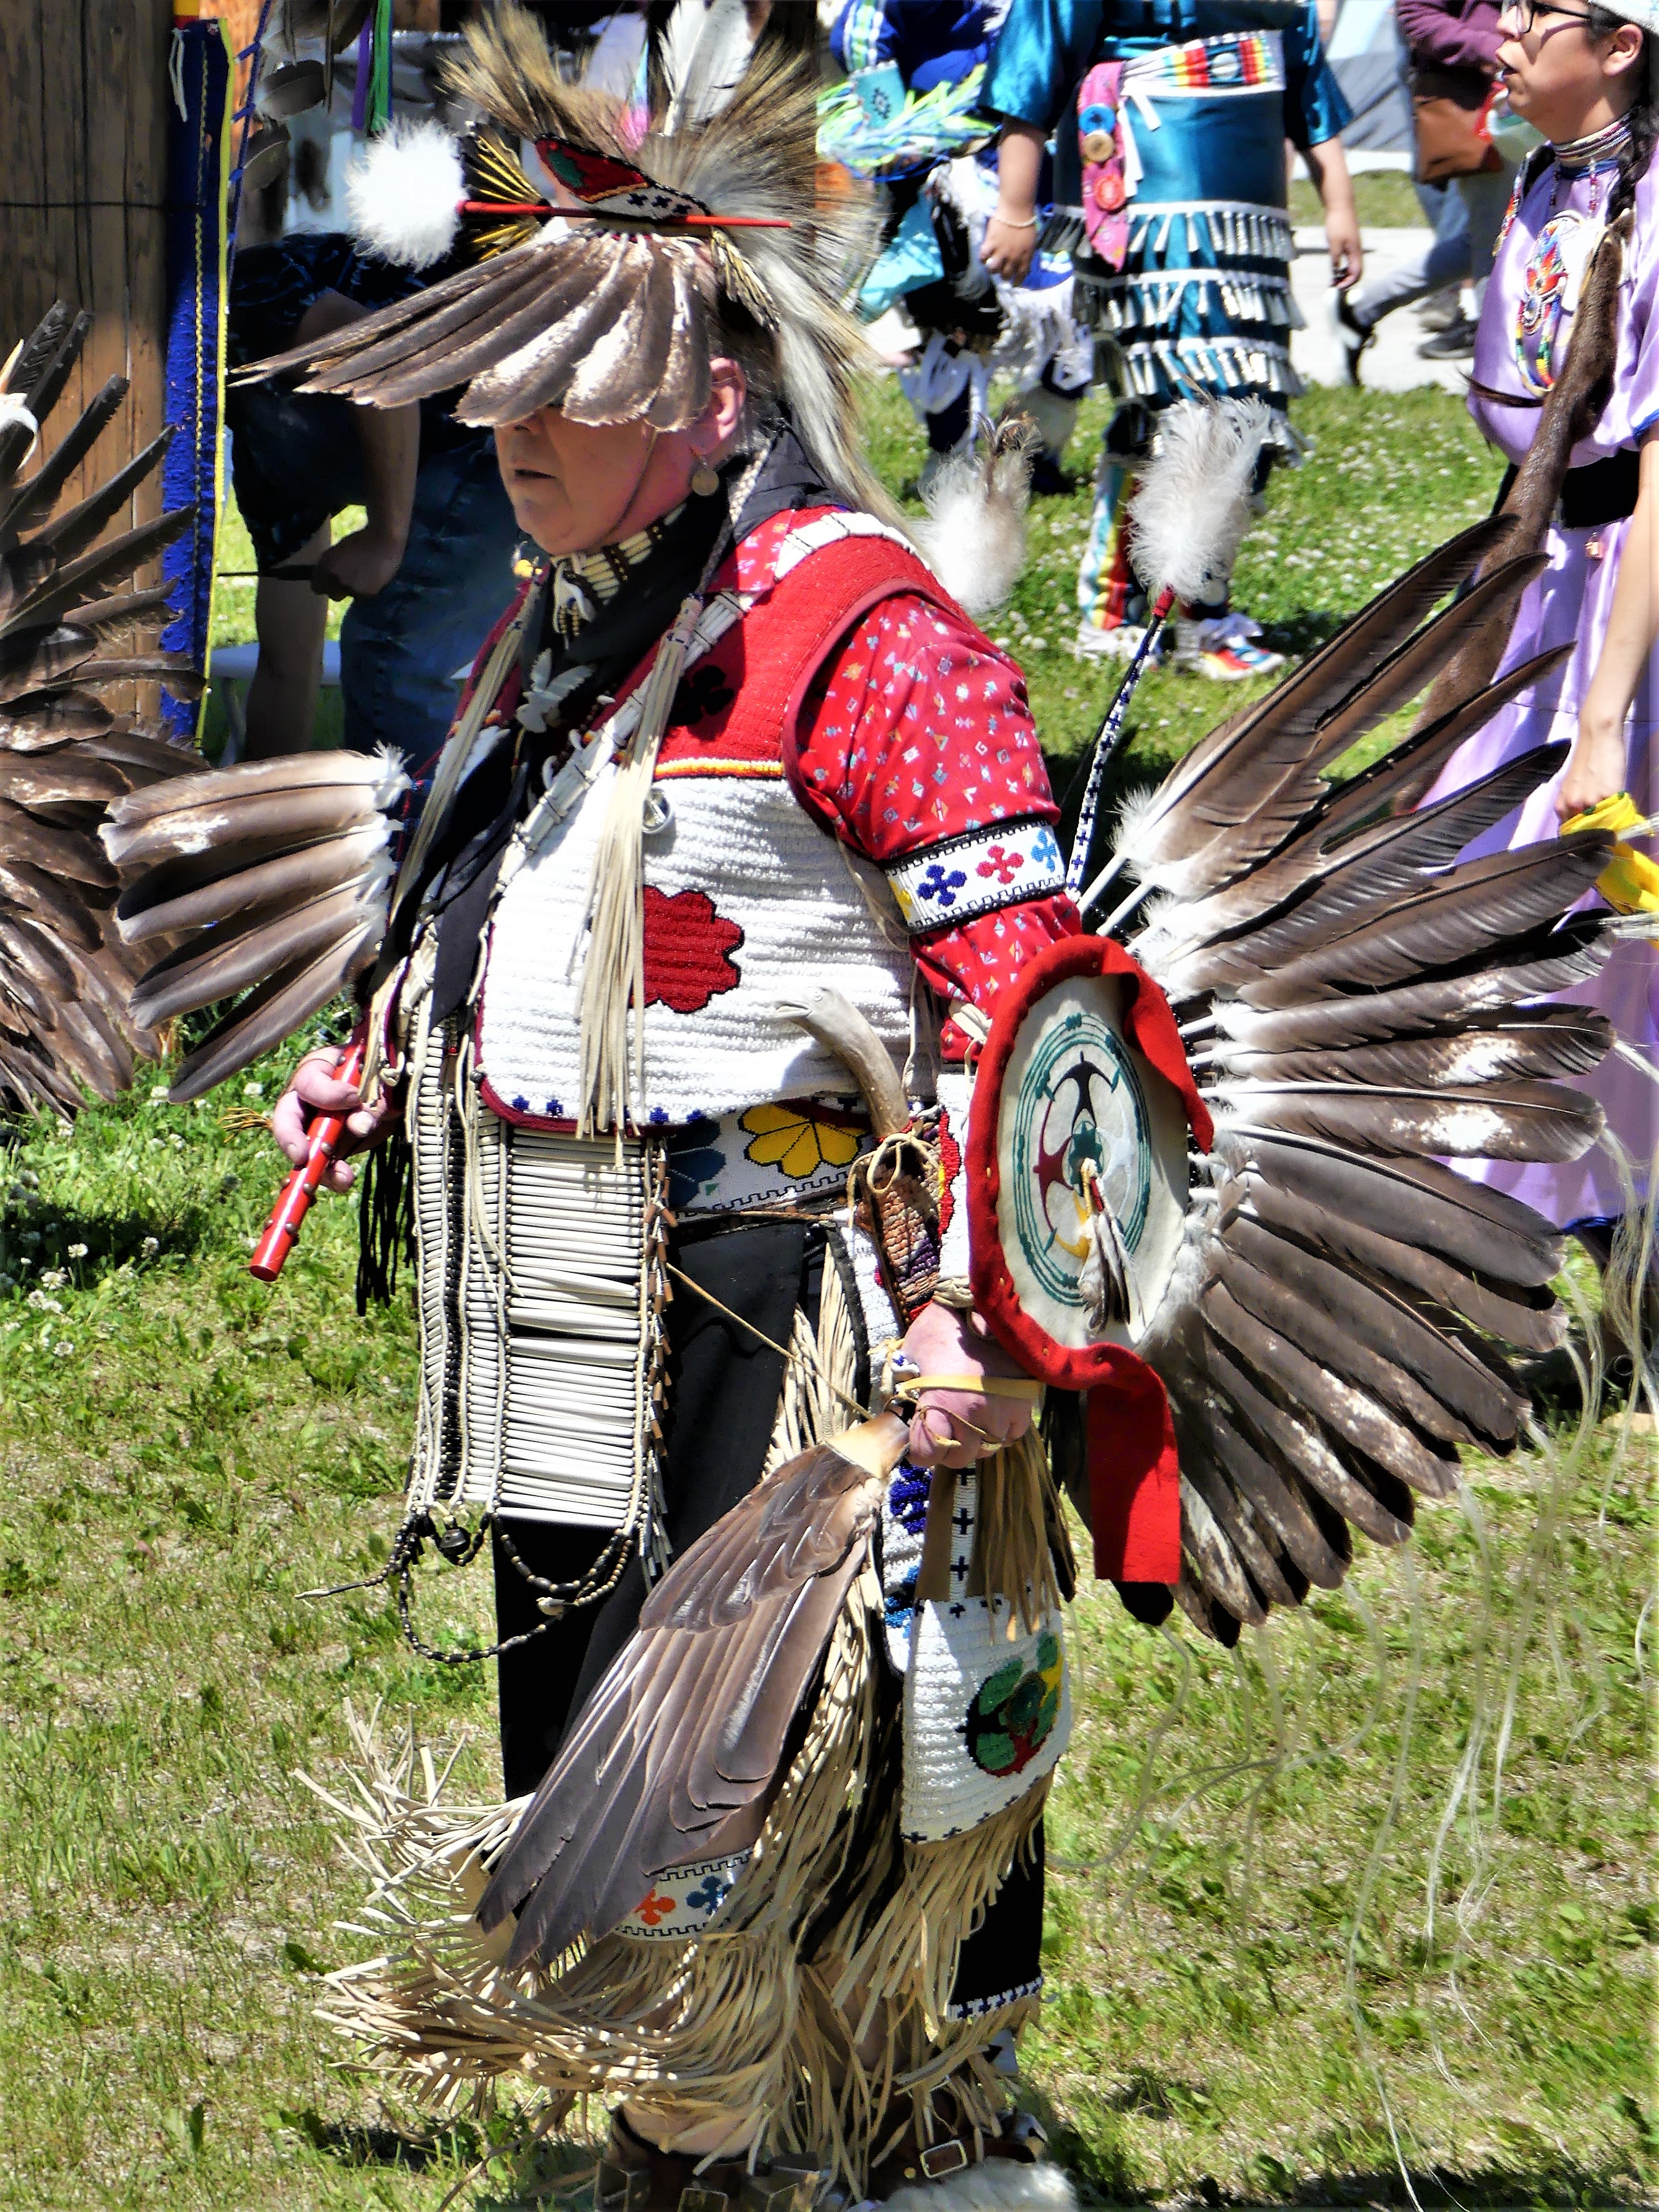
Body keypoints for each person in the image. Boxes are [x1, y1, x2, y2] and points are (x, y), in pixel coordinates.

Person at [1421, 0, 1657, 1302]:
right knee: (1492, 892)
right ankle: (1510, 1211)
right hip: (1550, 575)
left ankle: (1608, 1227)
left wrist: (1606, 718)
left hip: (1630, 604)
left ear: (1620, 44)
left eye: (1533, 13)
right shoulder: (1547, 181)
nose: (1499, 34)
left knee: (1605, 914)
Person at [980, 0, 1361, 676]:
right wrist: (1014, 207)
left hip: (1250, 214)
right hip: (1150, 188)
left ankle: (1184, 609)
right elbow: (1037, 56)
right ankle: (1138, 612)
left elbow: (1303, 69)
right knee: (1174, 403)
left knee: (1243, 404)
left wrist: (1339, 206)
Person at [225, 138, 519, 767]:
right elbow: (287, 666)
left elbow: (377, 360)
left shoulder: (245, 288)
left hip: (506, 413)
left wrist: (386, 538)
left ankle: (411, 828)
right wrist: (253, 806)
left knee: (394, 655)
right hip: (491, 426)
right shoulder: (267, 461)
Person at [820, 0, 1095, 491]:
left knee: (1072, 317)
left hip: (1053, 167)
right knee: (960, 325)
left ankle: (1031, 452)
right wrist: (896, 133)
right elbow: (864, 33)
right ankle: (953, 468)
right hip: (946, 179)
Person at [1335, 0, 1518, 377]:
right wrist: (1497, 49)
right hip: (1489, 107)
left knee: (1488, 239)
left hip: (1559, 101)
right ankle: (1498, 379)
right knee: (1496, 242)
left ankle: (1361, 311)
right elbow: (1417, 16)